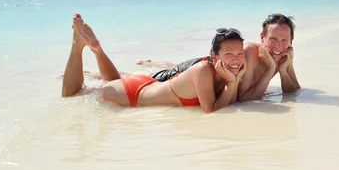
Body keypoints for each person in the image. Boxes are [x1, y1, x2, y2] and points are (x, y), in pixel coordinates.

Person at [61, 13, 246, 113]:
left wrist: (233, 79)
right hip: (134, 94)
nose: (236, 58)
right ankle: (77, 45)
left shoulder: (224, 72)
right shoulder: (203, 70)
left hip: (145, 84)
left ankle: (97, 50)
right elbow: (210, 110)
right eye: (229, 53)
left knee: (112, 82)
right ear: (214, 56)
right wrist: (232, 81)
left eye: (240, 53)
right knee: (73, 95)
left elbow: (233, 101)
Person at [138, 13, 301, 102]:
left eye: (284, 40)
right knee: (154, 80)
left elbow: (292, 90)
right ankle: (142, 68)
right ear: (262, 38)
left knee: (172, 66)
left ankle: (156, 62)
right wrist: (271, 69)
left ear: (290, 41)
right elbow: (243, 99)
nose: (278, 47)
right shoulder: (249, 52)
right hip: (201, 68)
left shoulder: (283, 53)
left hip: (210, 72)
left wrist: (283, 68)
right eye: (272, 39)